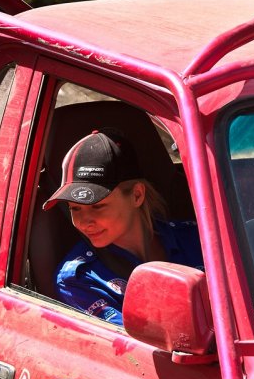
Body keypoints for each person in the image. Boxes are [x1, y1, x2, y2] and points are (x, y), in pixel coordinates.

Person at [43, 129, 203, 325]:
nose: (84, 221)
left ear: (137, 195)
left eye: (98, 205)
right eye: (75, 208)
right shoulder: (78, 278)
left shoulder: (198, 237)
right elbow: (134, 350)